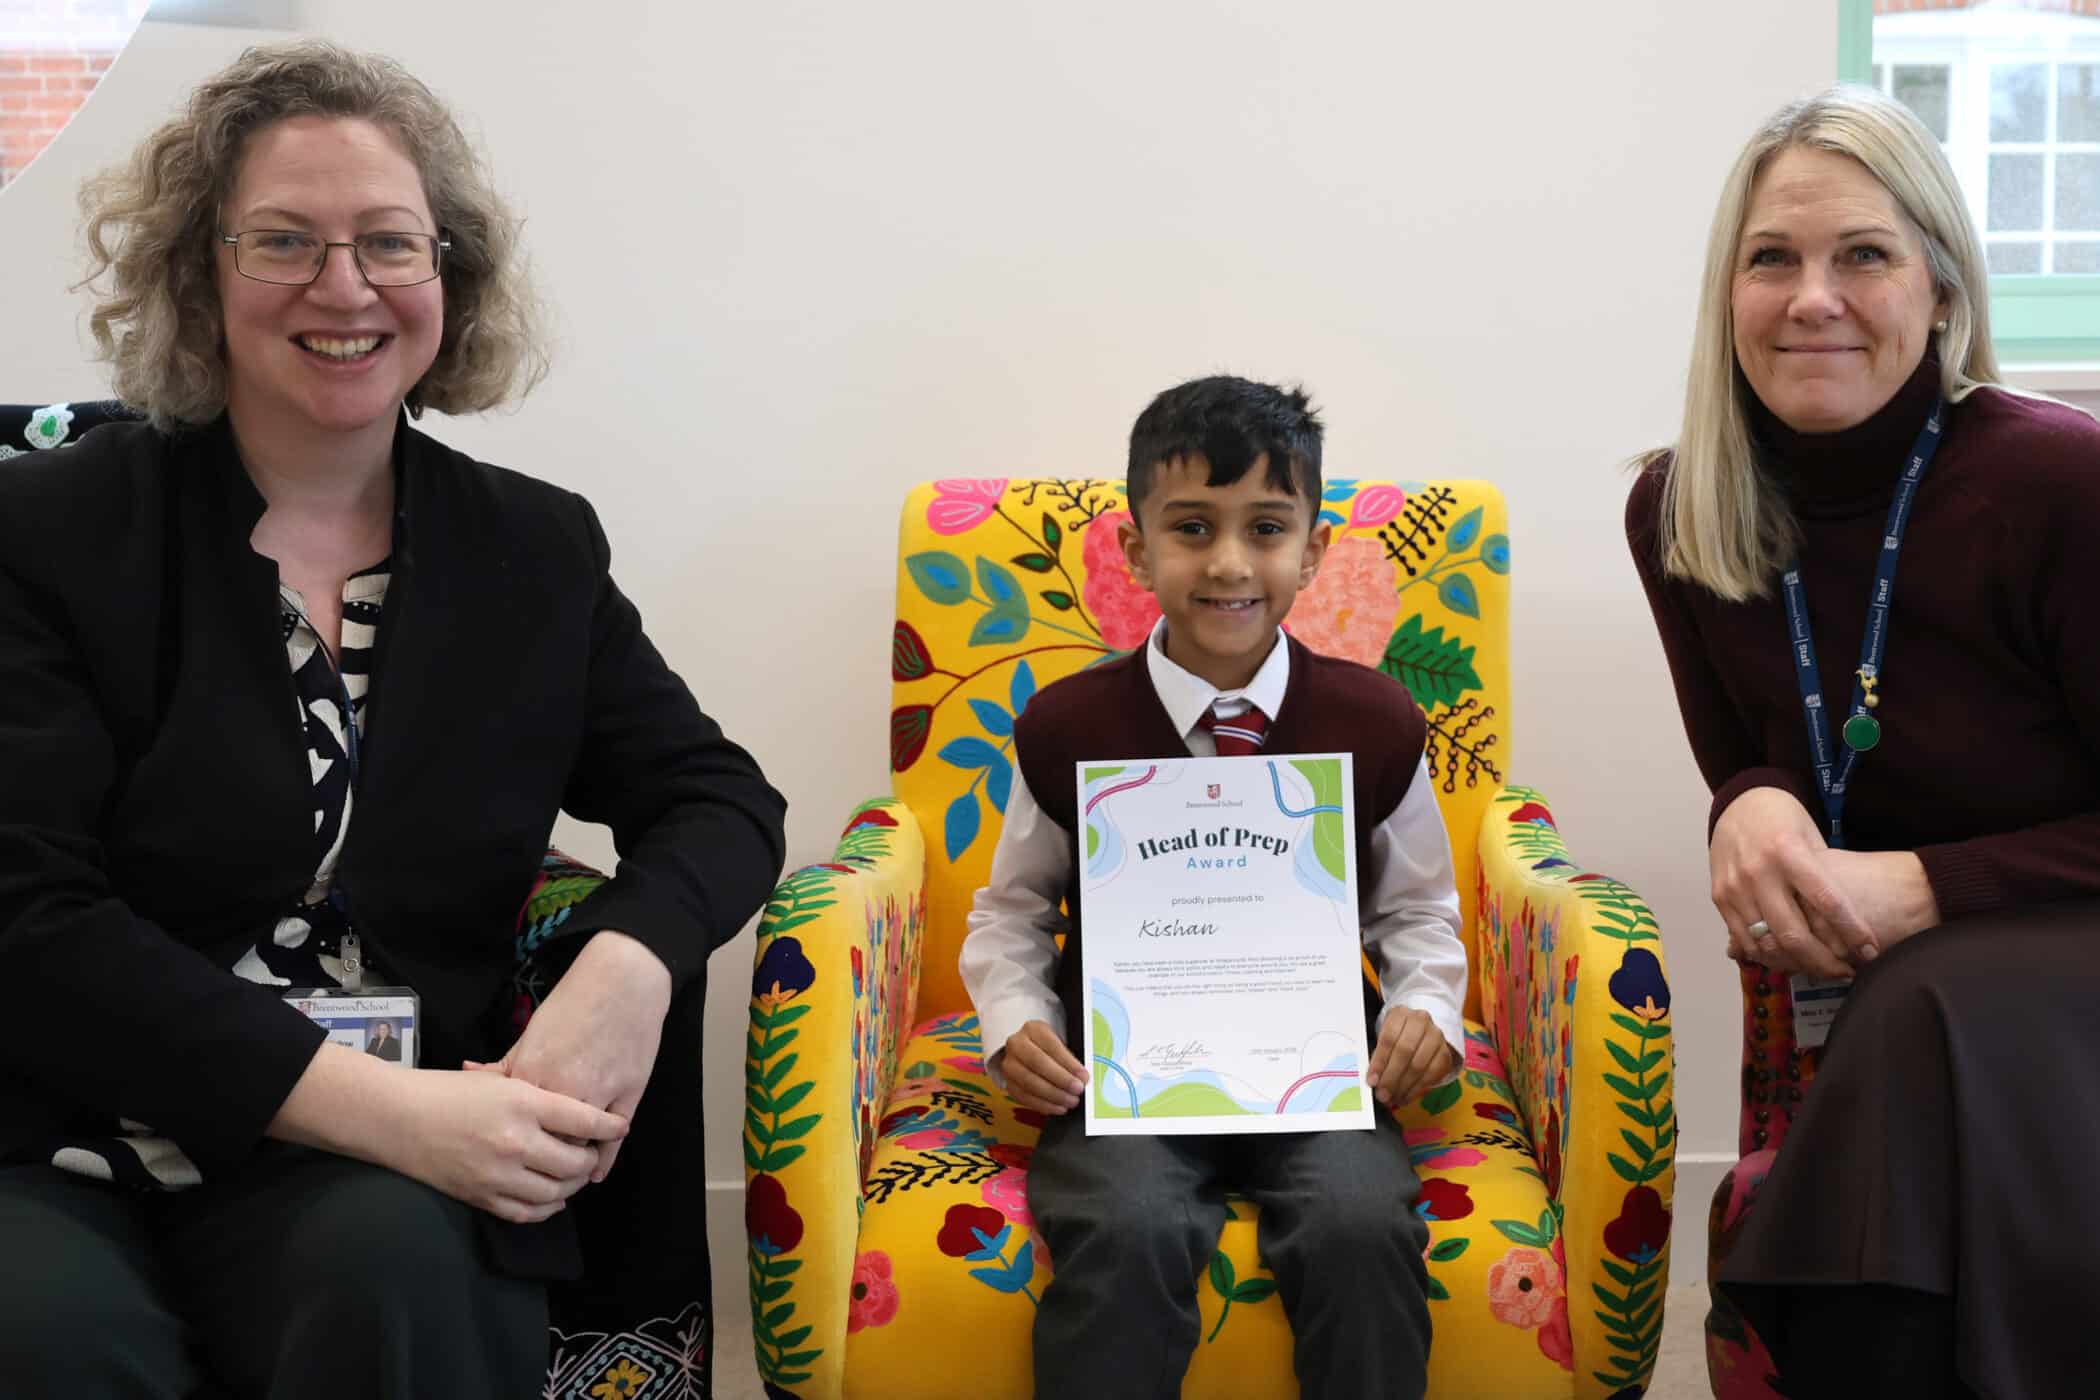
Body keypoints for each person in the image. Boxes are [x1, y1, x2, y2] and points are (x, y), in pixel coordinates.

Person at [0, 40, 786, 1398]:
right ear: (202, 274)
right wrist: (402, 1115)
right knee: (60, 1344)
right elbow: (26, 913)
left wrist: (631, 964)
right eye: (285, 241)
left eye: (389, 244)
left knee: (399, 1282)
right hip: (64, 1131)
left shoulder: (530, 552)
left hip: (364, 1169)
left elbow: (718, 797)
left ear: (448, 279)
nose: (344, 286)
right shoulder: (50, 530)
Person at [1627, 85, 2100, 1400]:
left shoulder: (2060, 483)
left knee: (1915, 1004)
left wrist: (1923, 888)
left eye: (1865, 255)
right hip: (1899, 986)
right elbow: (1746, 749)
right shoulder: (1678, 509)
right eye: (1771, 258)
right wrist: (1753, 808)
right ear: (1729, 295)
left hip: (2059, 952)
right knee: (1909, 1009)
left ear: (1942, 293)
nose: (1811, 298)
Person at [958, 374, 1467, 1398]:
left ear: (1313, 550)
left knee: (1364, 1225)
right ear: (1137, 549)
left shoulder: (1377, 723)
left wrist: (1423, 1004)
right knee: (1125, 1227)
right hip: (1125, 1079)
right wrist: (1013, 1018)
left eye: (1266, 527)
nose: (1230, 561)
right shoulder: (1067, 727)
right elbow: (1011, 908)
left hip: (1323, 1072)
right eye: (1193, 527)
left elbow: (1417, 908)